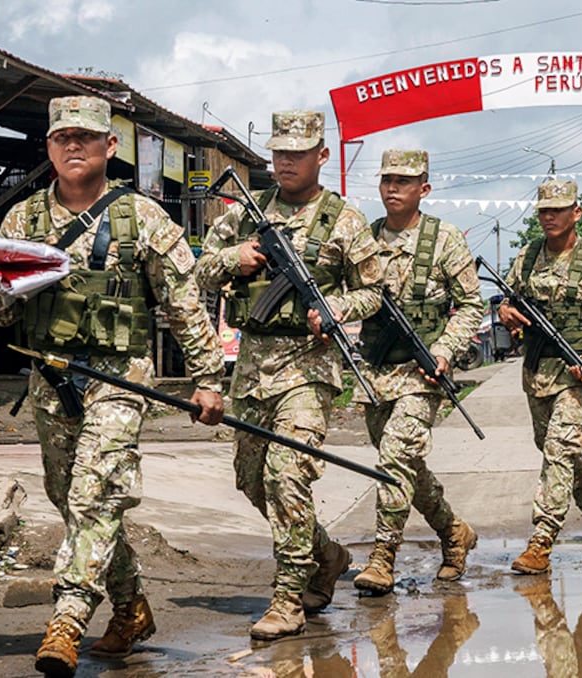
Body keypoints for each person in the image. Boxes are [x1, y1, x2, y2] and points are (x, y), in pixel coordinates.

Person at [0, 96, 226, 678]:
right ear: (48, 148)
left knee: (92, 494)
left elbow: (184, 306)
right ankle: (130, 608)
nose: (72, 145)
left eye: (85, 136)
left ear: (110, 146)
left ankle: (67, 620)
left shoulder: (144, 219)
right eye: (60, 137)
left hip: (120, 379)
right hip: (50, 378)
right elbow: (0, 311)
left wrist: (207, 380)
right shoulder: (22, 221)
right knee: (73, 499)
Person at [196, 110, 382, 640]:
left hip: (310, 369)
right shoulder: (246, 214)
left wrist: (338, 308)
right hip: (253, 369)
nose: (285, 162)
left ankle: (287, 599)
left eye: (297, 154)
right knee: (252, 481)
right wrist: (239, 257)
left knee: (287, 475)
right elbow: (200, 268)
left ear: (321, 156)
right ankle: (326, 555)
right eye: (278, 153)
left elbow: (374, 292)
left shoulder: (343, 220)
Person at [352, 149, 481, 594]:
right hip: (374, 373)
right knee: (407, 466)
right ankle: (453, 531)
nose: (393, 188)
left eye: (403, 182)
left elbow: (469, 306)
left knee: (393, 461)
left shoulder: (444, 239)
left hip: (421, 374)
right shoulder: (364, 240)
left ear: (423, 189)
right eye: (387, 180)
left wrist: (445, 350)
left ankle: (383, 556)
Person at [497, 179, 582, 575]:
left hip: (576, 373)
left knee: (559, 449)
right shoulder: (527, 256)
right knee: (557, 450)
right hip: (537, 371)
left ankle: (542, 541)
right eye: (543, 210)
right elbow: (508, 298)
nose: (549, 216)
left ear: (577, 212)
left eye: (558, 209)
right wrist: (505, 311)